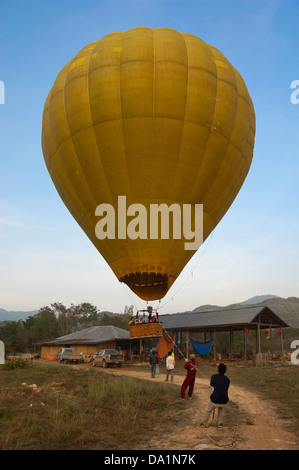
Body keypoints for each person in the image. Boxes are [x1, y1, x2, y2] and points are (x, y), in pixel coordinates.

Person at [200, 363, 230, 428]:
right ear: (225, 371)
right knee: (221, 410)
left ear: (218, 370)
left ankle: (203, 423)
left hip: (215, 399)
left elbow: (212, 384)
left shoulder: (214, 376)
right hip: (224, 400)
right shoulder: (227, 380)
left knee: (208, 410)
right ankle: (219, 423)